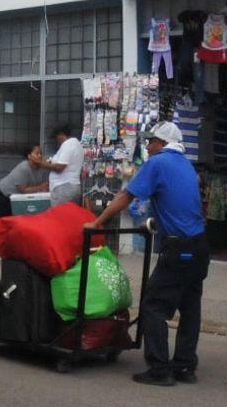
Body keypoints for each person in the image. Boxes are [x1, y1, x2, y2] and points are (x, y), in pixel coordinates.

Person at [87, 122, 209, 386]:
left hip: (178, 248)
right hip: (199, 247)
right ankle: (185, 367)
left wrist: (98, 222)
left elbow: (125, 196)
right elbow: (179, 204)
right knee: (190, 308)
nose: (147, 146)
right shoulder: (185, 165)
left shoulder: (158, 163)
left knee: (154, 305)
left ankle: (159, 369)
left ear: (162, 143)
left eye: (150, 141)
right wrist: (155, 224)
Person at [0, 144, 49, 218]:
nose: (40, 156)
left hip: (19, 197)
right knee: (7, 221)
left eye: (41, 153)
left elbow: (45, 185)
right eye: (37, 153)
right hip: (4, 194)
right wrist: (40, 187)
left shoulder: (43, 168)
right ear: (29, 156)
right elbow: (23, 190)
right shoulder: (24, 168)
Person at [40, 125, 84, 207]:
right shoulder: (77, 144)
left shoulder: (68, 144)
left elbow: (60, 167)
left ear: (61, 134)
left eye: (56, 137)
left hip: (63, 187)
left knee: (59, 217)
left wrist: (42, 163)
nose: (57, 141)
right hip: (71, 186)